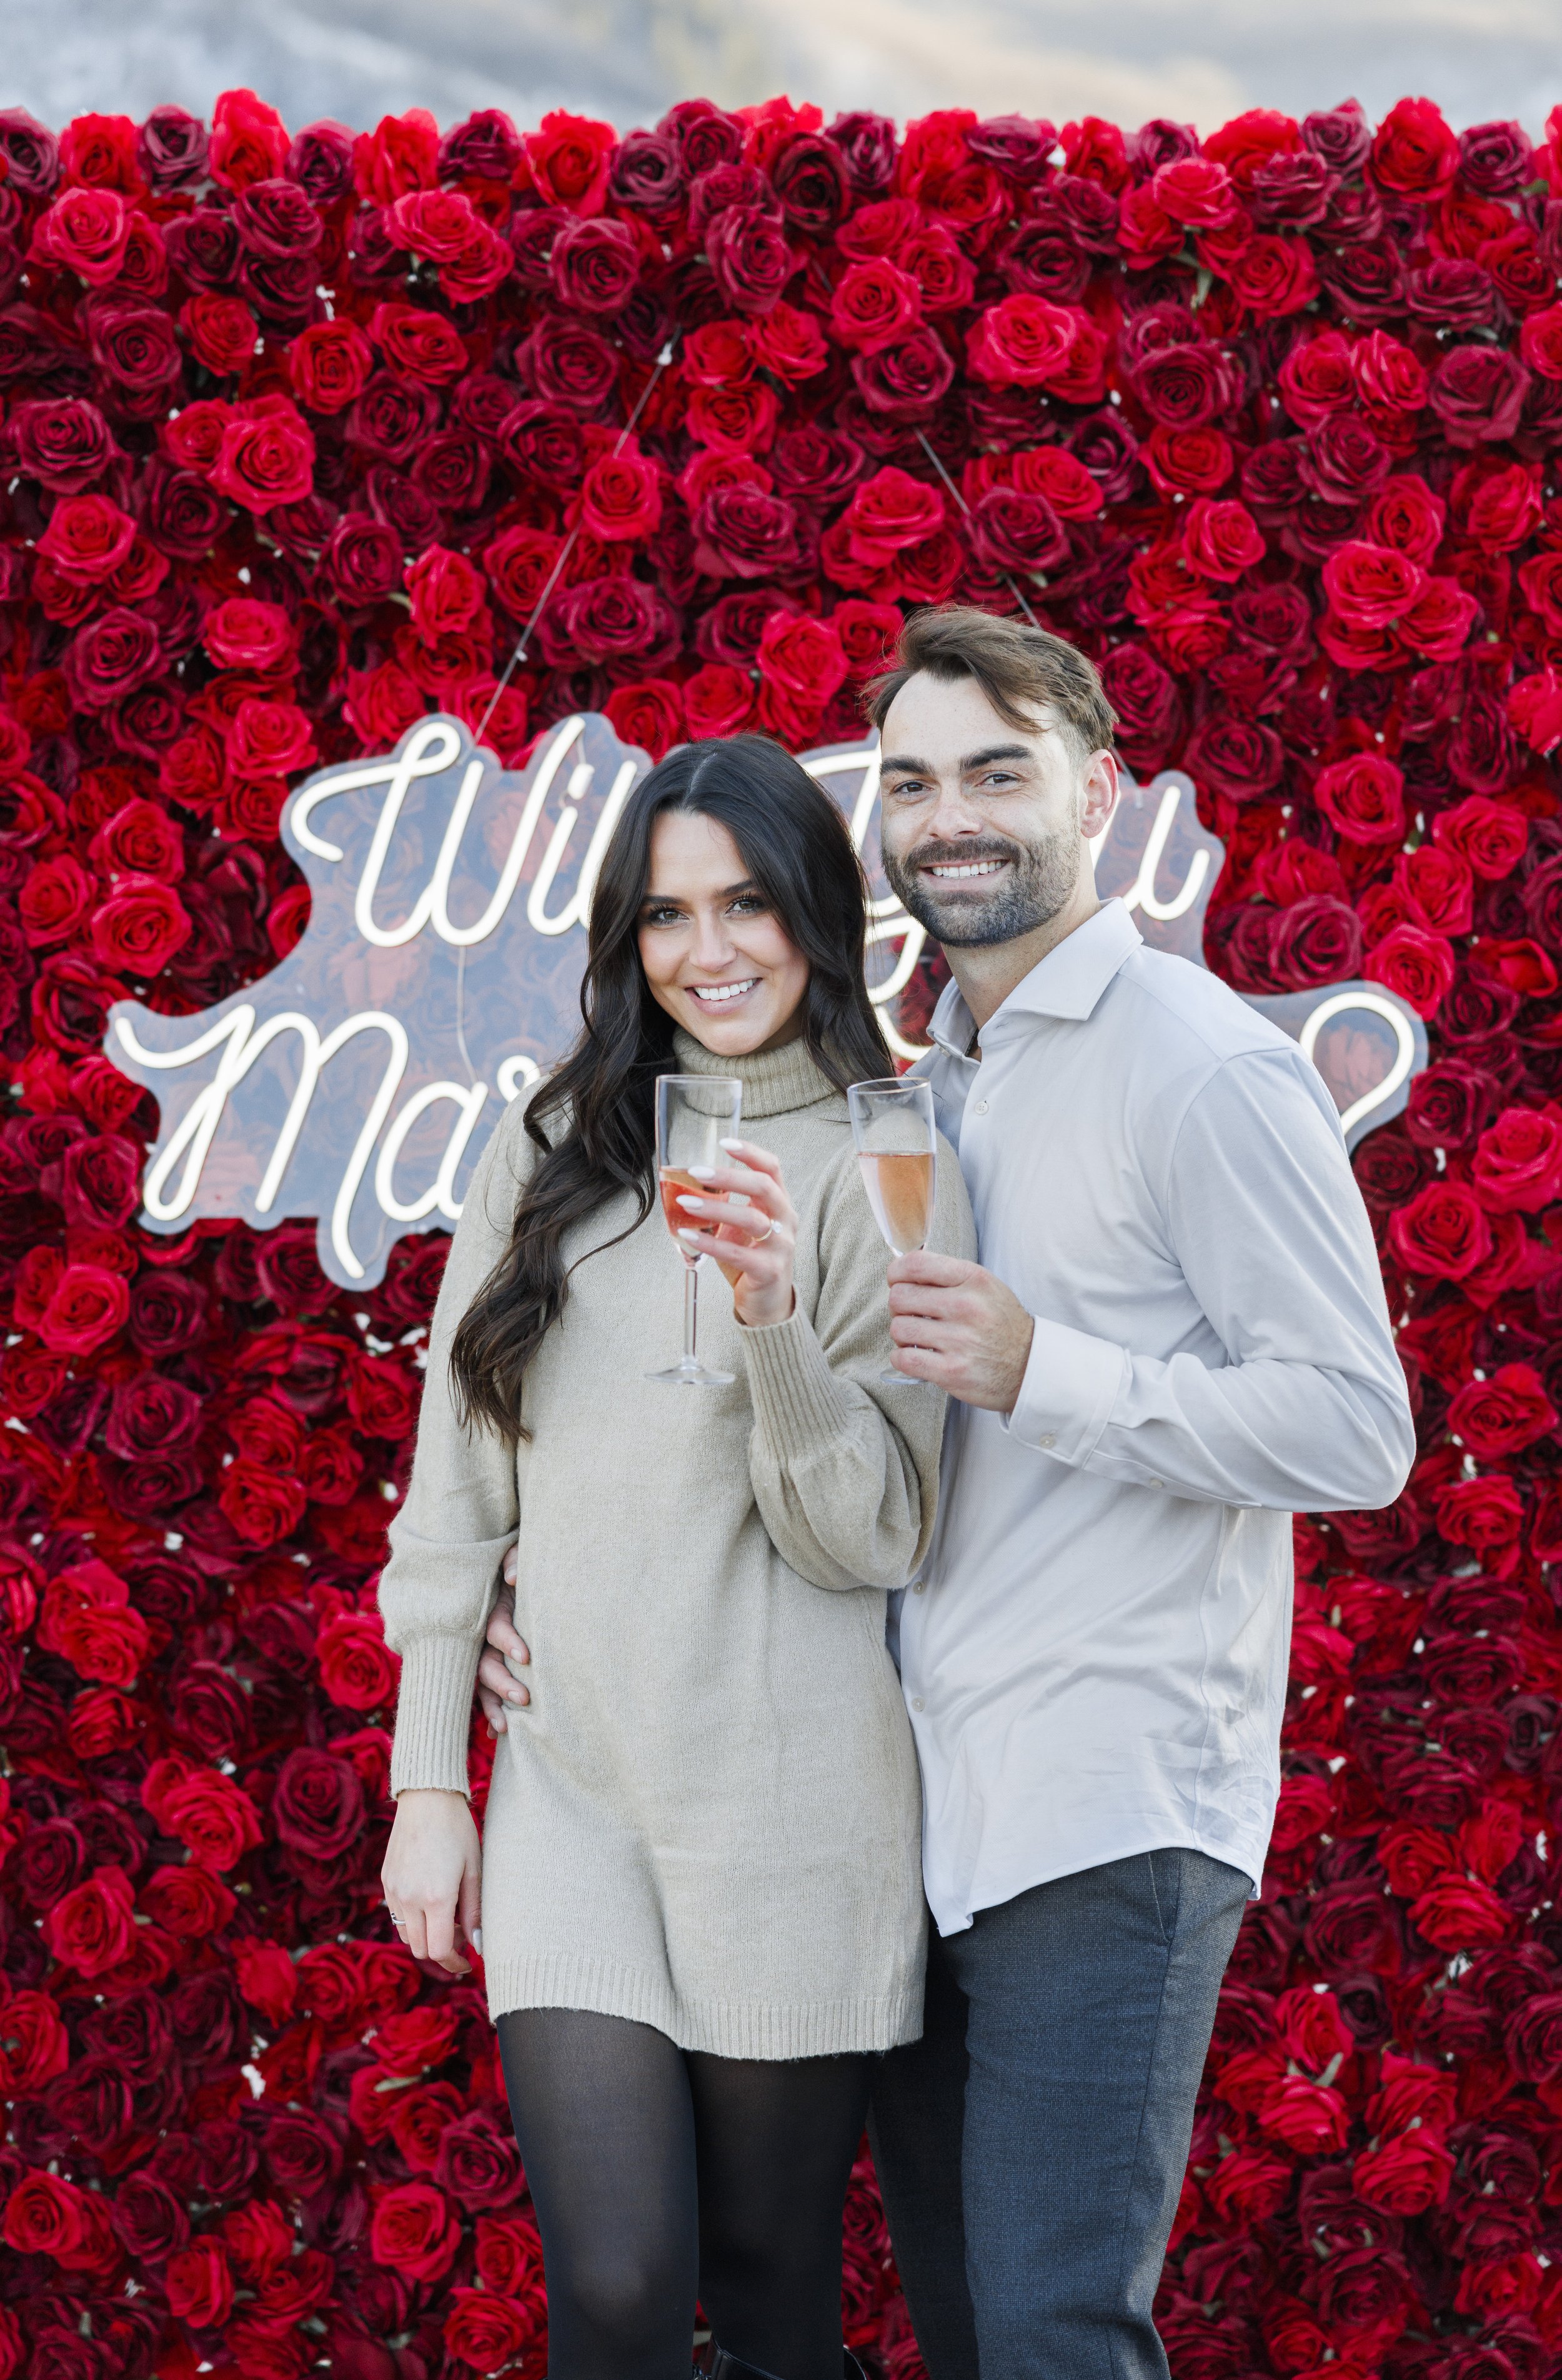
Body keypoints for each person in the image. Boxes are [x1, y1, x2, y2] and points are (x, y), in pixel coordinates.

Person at [854, 607, 1417, 2380]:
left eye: (997, 772)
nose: (950, 815)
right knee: (972, 2332)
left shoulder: (1199, 1063)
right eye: (913, 779)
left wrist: (1049, 1370)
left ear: (1097, 790)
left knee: (1047, 2336)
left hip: (1104, 1804)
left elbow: (1354, 1428)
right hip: (925, 1811)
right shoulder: (936, 1079)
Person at [378, 731, 974, 2380]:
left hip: (794, 1805)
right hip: (572, 1780)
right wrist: (433, 1773)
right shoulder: (554, 1143)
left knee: (774, 2291)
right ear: (623, 938)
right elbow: (459, 1469)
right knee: (626, 2282)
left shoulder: (888, 1158)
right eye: (662, 914)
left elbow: (868, 1534)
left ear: (817, 914)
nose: (706, 950)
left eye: (746, 904)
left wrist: (776, 1318)